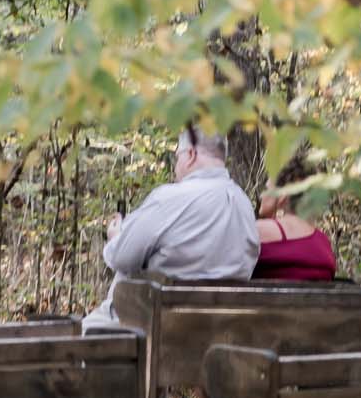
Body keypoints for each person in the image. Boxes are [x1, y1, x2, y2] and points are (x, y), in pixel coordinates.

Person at [80, 125, 259, 331]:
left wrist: (115, 238)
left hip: (147, 326)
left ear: (191, 154)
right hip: (218, 330)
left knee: (66, 343)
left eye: (177, 157)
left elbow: (121, 258)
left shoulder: (170, 198)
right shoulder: (244, 205)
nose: (175, 166)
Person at [252, 189, 338, 283]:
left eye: (267, 189)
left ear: (282, 196)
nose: (261, 195)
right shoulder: (323, 241)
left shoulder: (258, 231)